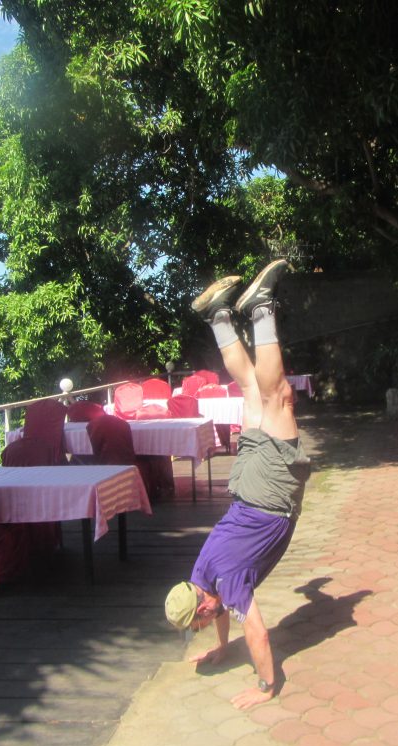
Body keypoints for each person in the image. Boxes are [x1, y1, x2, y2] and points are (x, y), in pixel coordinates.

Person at [164, 259, 311, 709]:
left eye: (200, 624)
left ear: (202, 605)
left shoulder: (225, 586)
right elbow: (222, 605)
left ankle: (261, 307)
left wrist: (265, 687)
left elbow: (258, 633)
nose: (204, 625)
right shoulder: (201, 576)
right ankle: (219, 316)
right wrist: (223, 648)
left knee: (276, 396)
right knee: (251, 390)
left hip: (267, 492)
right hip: (245, 486)